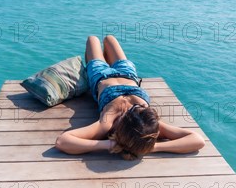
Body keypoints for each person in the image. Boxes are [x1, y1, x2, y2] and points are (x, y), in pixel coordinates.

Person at [55, 35, 205, 159]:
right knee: (109, 39)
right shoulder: (149, 124)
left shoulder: (109, 121)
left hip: (103, 75)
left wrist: (109, 145)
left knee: (93, 39)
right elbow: (197, 140)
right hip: (127, 74)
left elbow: (63, 141)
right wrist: (152, 147)